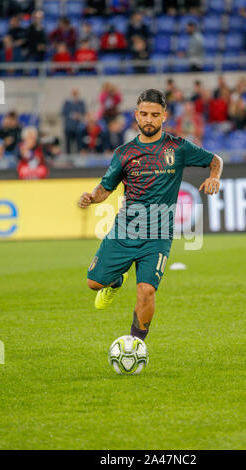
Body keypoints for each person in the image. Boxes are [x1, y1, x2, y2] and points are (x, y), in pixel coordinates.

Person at [78, 89, 223, 342]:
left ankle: (136, 345)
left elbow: (215, 160)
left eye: (154, 115)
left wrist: (214, 177)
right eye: (144, 114)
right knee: (93, 283)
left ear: (164, 116)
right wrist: (92, 197)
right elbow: (105, 188)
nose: (148, 120)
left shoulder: (177, 148)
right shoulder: (124, 153)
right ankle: (114, 283)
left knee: (146, 291)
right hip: (125, 230)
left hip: (157, 235)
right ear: (136, 115)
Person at [61, 88, 86, 154]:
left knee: (79, 142)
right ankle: (67, 155)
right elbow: (63, 113)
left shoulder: (81, 102)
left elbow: (84, 112)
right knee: (68, 143)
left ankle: (79, 153)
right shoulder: (67, 103)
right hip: (69, 126)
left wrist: (79, 116)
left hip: (78, 126)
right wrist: (72, 115)